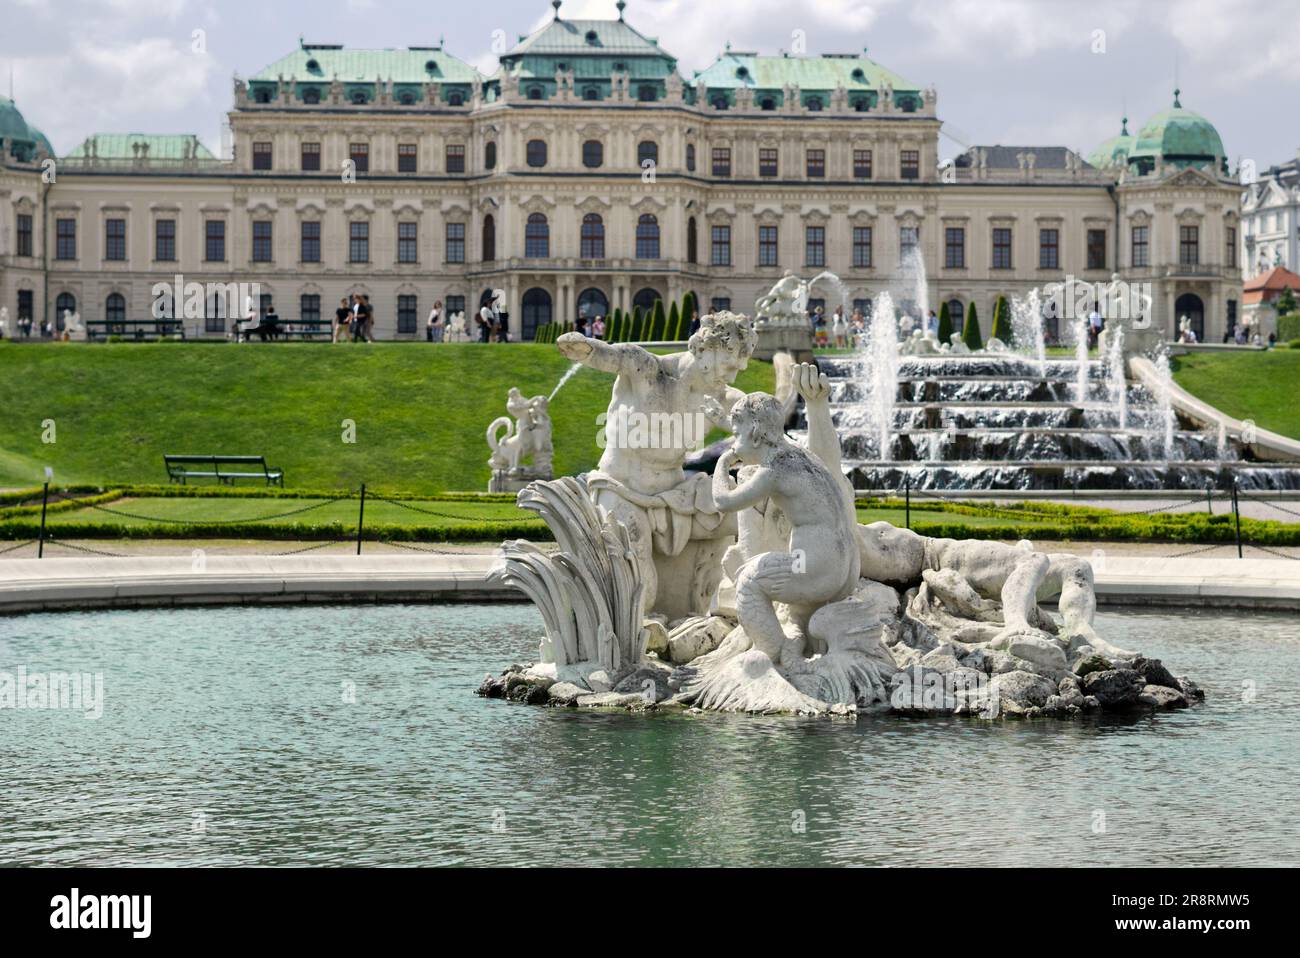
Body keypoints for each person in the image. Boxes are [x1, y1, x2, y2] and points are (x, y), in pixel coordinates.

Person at [555, 312, 756, 617]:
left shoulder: (723, 397)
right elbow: (615, 357)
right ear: (703, 349)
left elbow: (763, 426)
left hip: (677, 494)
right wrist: (587, 348)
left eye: (738, 369)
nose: (731, 376)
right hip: (622, 490)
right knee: (642, 593)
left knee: (752, 514)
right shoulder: (648, 370)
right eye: (729, 366)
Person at [710, 392, 860, 667]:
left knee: (748, 581)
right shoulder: (802, 454)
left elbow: (723, 502)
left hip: (817, 567)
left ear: (755, 433)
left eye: (736, 434)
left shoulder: (774, 469)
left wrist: (722, 464)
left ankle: (775, 655)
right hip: (848, 565)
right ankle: (806, 644)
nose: (734, 443)